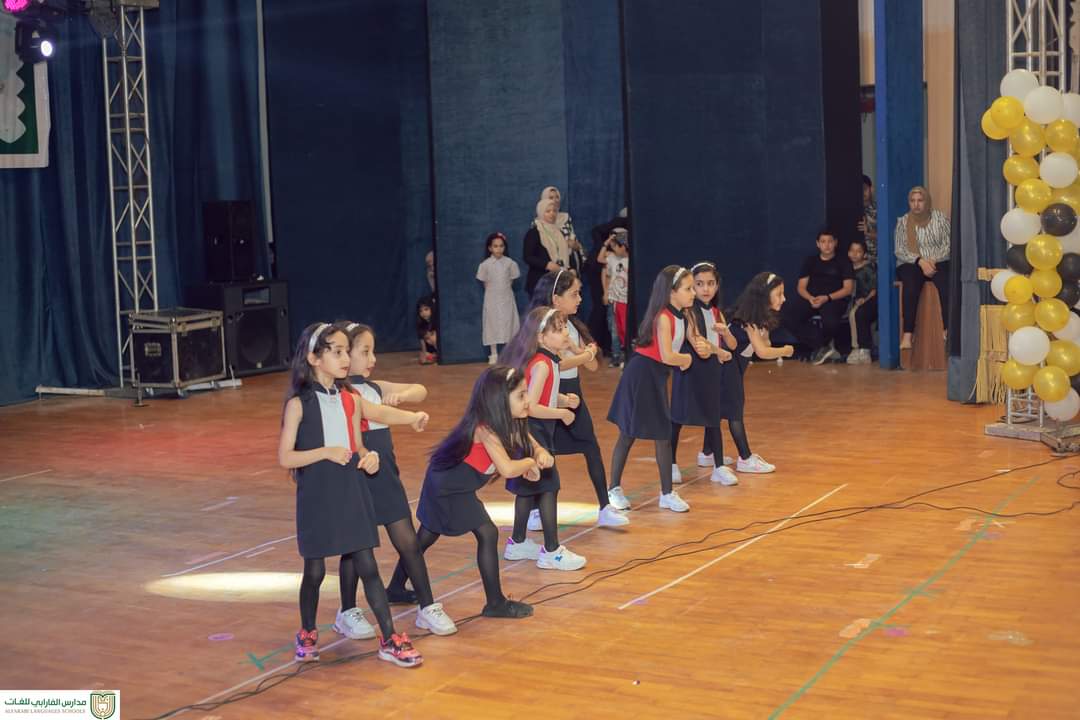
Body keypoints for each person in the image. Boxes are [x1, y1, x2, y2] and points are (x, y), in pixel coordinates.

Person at [277, 322, 422, 668]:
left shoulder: (350, 401)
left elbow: (357, 448)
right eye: (337, 352)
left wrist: (369, 459)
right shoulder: (298, 405)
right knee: (314, 572)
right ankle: (307, 631)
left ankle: (389, 638)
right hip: (317, 497)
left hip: (352, 492)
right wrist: (325, 452)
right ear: (314, 358)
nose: (345, 359)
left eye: (346, 351)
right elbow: (286, 458)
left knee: (368, 566)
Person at [387, 366, 544, 619]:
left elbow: (525, 438)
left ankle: (395, 588)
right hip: (448, 488)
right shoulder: (485, 429)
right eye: (521, 395)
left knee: (427, 535)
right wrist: (529, 463)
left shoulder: (506, 424)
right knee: (487, 532)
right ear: (499, 401)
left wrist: (539, 452)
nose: (527, 400)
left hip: (447, 483)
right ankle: (495, 603)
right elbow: (507, 468)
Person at [342, 323, 457, 636]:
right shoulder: (342, 395)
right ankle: (347, 611)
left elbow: (420, 390)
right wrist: (410, 417)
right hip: (356, 478)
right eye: (365, 352)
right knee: (355, 548)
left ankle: (427, 607)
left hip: (386, 477)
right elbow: (377, 415)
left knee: (408, 542)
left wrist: (402, 395)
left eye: (373, 351)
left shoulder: (374, 387)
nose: (372, 359)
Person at [525, 270, 629, 528]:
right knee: (544, 454)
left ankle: (604, 507)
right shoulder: (542, 327)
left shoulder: (571, 325)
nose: (580, 299)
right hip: (549, 393)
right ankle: (536, 511)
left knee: (591, 447)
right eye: (574, 294)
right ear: (556, 298)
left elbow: (592, 366)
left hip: (572, 393)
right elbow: (554, 364)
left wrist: (581, 351)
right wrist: (584, 356)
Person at [498, 307, 588, 570]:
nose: (565, 333)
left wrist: (564, 399)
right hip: (534, 432)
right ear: (541, 337)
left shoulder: (550, 361)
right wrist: (562, 413)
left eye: (564, 327)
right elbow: (532, 406)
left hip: (539, 430)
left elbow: (542, 396)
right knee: (549, 487)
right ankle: (551, 550)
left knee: (528, 489)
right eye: (558, 330)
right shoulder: (542, 364)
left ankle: (517, 542)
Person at [606, 266, 697, 514]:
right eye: (688, 288)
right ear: (671, 292)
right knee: (628, 434)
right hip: (641, 375)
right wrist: (687, 359)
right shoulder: (663, 318)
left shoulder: (684, 315)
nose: (693, 293)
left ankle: (666, 494)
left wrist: (707, 348)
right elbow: (668, 356)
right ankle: (613, 489)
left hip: (657, 376)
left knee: (663, 435)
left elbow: (694, 341)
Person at [670, 262, 739, 486]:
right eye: (699, 284)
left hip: (711, 371)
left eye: (710, 283)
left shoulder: (717, 312)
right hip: (689, 369)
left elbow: (732, 345)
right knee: (677, 418)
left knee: (713, 418)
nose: (705, 289)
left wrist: (725, 334)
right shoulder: (688, 311)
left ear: (717, 286)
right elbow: (699, 342)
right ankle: (670, 463)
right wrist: (720, 352)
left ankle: (718, 466)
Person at [724, 274, 794, 473]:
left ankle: (708, 453)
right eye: (779, 294)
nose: (783, 298)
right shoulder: (747, 320)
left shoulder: (760, 318)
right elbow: (763, 352)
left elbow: (766, 343)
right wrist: (785, 351)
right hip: (725, 367)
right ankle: (745, 458)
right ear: (764, 295)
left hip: (735, 367)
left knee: (720, 410)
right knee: (734, 412)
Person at [781, 229, 854, 364]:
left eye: (830, 241)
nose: (827, 245)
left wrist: (827, 297)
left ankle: (823, 348)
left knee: (830, 322)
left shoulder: (843, 261)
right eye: (823, 242)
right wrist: (810, 298)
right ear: (818, 244)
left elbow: (848, 288)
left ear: (835, 243)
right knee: (788, 318)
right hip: (812, 298)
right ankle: (822, 346)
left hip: (833, 299)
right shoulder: (811, 261)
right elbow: (801, 287)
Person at [894, 185, 950, 349]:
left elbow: (948, 245)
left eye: (920, 200)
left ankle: (948, 330)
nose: (916, 204)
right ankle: (907, 334)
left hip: (938, 261)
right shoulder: (903, 222)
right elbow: (899, 250)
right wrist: (920, 261)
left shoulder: (940, 219)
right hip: (912, 262)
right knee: (910, 284)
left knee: (946, 283)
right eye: (912, 201)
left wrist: (932, 260)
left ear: (927, 202)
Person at [476, 232, 521, 364]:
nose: (498, 249)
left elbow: (511, 280)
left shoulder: (510, 263)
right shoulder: (485, 265)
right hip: (491, 298)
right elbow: (485, 282)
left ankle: (509, 353)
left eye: (501, 246)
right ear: (490, 248)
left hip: (506, 297)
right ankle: (494, 353)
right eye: (495, 246)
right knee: (492, 323)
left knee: (509, 323)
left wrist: (504, 292)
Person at [523, 198, 569, 294]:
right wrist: (546, 265)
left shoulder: (559, 233)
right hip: (539, 282)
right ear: (540, 212)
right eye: (548, 211)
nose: (552, 214)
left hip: (558, 281)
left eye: (554, 211)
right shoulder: (534, 232)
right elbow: (528, 257)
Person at [599, 229, 630, 367]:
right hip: (615, 299)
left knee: (625, 328)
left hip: (626, 300)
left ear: (623, 246)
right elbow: (600, 259)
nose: (613, 249)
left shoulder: (631, 260)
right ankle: (616, 356)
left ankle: (625, 354)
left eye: (616, 246)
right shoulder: (612, 258)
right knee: (614, 329)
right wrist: (606, 243)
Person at [845, 239, 877, 365]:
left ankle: (862, 348)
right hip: (855, 300)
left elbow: (874, 289)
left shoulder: (868, 268)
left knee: (856, 314)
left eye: (858, 251)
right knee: (851, 314)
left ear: (864, 254)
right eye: (852, 250)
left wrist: (865, 299)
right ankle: (855, 348)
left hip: (869, 299)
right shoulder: (847, 269)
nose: (854, 254)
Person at [857, 175, 878, 262]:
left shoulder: (880, 210)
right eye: (859, 190)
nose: (862, 193)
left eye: (864, 189)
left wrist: (868, 233)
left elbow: (887, 237)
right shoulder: (851, 210)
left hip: (876, 258)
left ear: (871, 189)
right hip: (856, 260)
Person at [416, 297, 438, 365]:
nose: (423, 313)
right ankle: (434, 356)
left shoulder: (436, 321)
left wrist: (431, 335)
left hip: (438, 346)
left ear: (432, 308)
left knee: (433, 337)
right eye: (421, 311)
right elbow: (422, 341)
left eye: (426, 309)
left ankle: (439, 355)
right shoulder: (421, 325)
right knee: (422, 356)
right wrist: (424, 353)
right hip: (431, 350)